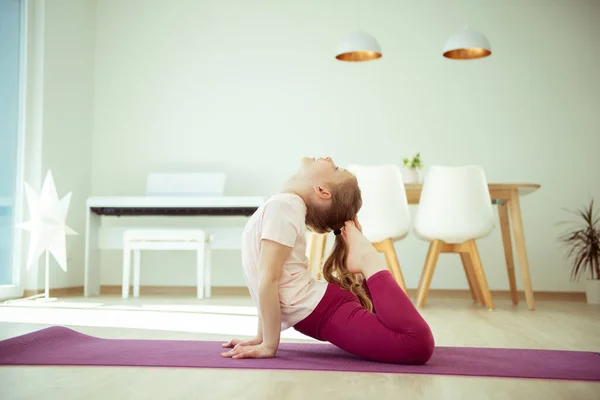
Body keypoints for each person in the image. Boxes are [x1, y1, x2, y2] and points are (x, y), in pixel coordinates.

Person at [221, 157, 434, 364]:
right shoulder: (283, 206)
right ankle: (362, 271)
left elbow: (269, 279)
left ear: (322, 191)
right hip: (324, 309)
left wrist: (269, 344)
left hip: (327, 311)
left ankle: (367, 259)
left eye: (336, 168)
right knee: (402, 335)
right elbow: (265, 279)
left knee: (417, 344)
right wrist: (261, 337)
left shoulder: (284, 208)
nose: (330, 158)